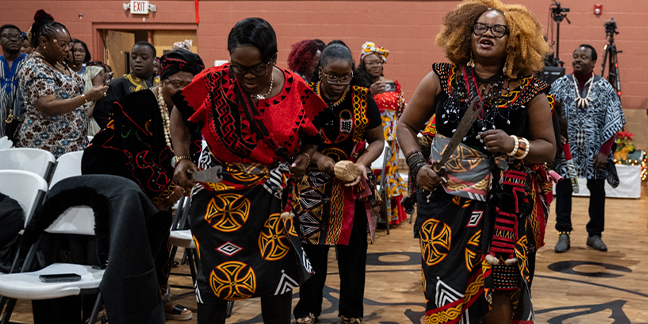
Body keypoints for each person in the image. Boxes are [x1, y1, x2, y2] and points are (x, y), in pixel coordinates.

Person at [396, 1, 556, 323]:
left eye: (499, 30)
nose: (487, 34)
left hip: (504, 208)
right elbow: (405, 126)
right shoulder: (442, 77)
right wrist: (417, 166)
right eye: (480, 27)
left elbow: (548, 148)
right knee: (443, 286)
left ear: (513, 40)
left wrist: (514, 145)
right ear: (465, 34)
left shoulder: (529, 89)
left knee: (501, 287)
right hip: (444, 206)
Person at [170, 17, 327, 324]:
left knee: (276, 279)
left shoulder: (297, 90)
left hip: (271, 193)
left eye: (257, 68)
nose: (247, 76)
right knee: (215, 281)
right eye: (239, 67)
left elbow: (315, 134)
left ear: (272, 58)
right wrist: (182, 157)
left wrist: (305, 159)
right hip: (215, 185)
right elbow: (180, 112)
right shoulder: (214, 80)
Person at [82, 49, 205, 321]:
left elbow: (193, 156)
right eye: (176, 83)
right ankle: (133, 302)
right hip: (112, 175)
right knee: (149, 227)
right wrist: (167, 190)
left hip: (149, 181)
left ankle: (155, 299)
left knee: (159, 227)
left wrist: (188, 184)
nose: (183, 90)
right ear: (162, 79)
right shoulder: (137, 103)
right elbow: (136, 156)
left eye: (190, 84)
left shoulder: (193, 111)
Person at [292, 43, 383, 324]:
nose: (338, 83)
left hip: (351, 183)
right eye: (332, 76)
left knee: (353, 253)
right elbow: (291, 141)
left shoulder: (360, 97)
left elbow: (377, 140)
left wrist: (362, 163)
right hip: (311, 185)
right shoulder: (303, 97)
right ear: (320, 71)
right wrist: (318, 158)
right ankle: (307, 309)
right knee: (312, 251)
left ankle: (351, 313)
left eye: (345, 77)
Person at [550, 44, 625, 253]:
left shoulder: (605, 88)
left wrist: (605, 151)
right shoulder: (559, 85)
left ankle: (594, 234)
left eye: (583, 57)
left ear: (593, 62)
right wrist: (556, 137)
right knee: (563, 190)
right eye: (575, 56)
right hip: (568, 150)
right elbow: (547, 115)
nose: (578, 60)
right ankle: (563, 233)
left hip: (595, 151)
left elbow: (614, 120)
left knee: (597, 191)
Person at [15, 10, 107, 157]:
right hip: (48, 144)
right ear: (44, 42)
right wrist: (86, 97)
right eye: (62, 44)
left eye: (68, 45)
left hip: (70, 142)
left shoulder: (58, 63)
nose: (67, 49)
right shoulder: (35, 67)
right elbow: (47, 106)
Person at [357, 41, 408, 224]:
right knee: (371, 173)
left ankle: (388, 216)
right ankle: (369, 216)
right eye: (371, 63)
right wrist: (368, 92)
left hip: (390, 139)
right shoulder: (358, 85)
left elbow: (401, 110)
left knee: (389, 174)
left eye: (378, 62)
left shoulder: (393, 85)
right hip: (369, 138)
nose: (375, 65)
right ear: (364, 64)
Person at [93, 41, 158, 128]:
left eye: (144, 58)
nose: (138, 60)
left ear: (154, 61)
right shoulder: (117, 84)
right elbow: (100, 114)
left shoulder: (162, 84)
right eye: (134, 57)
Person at [67, 38, 105, 135]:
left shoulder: (93, 71)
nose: (78, 54)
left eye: (81, 51)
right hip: (67, 119)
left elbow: (99, 97)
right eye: (74, 51)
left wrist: (86, 114)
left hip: (90, 118)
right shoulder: (60, 73)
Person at [0, 24, 28, 138]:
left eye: (17, 36)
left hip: (24, 122)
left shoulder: (31, 62)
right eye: (8, 36)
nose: (13, 39)